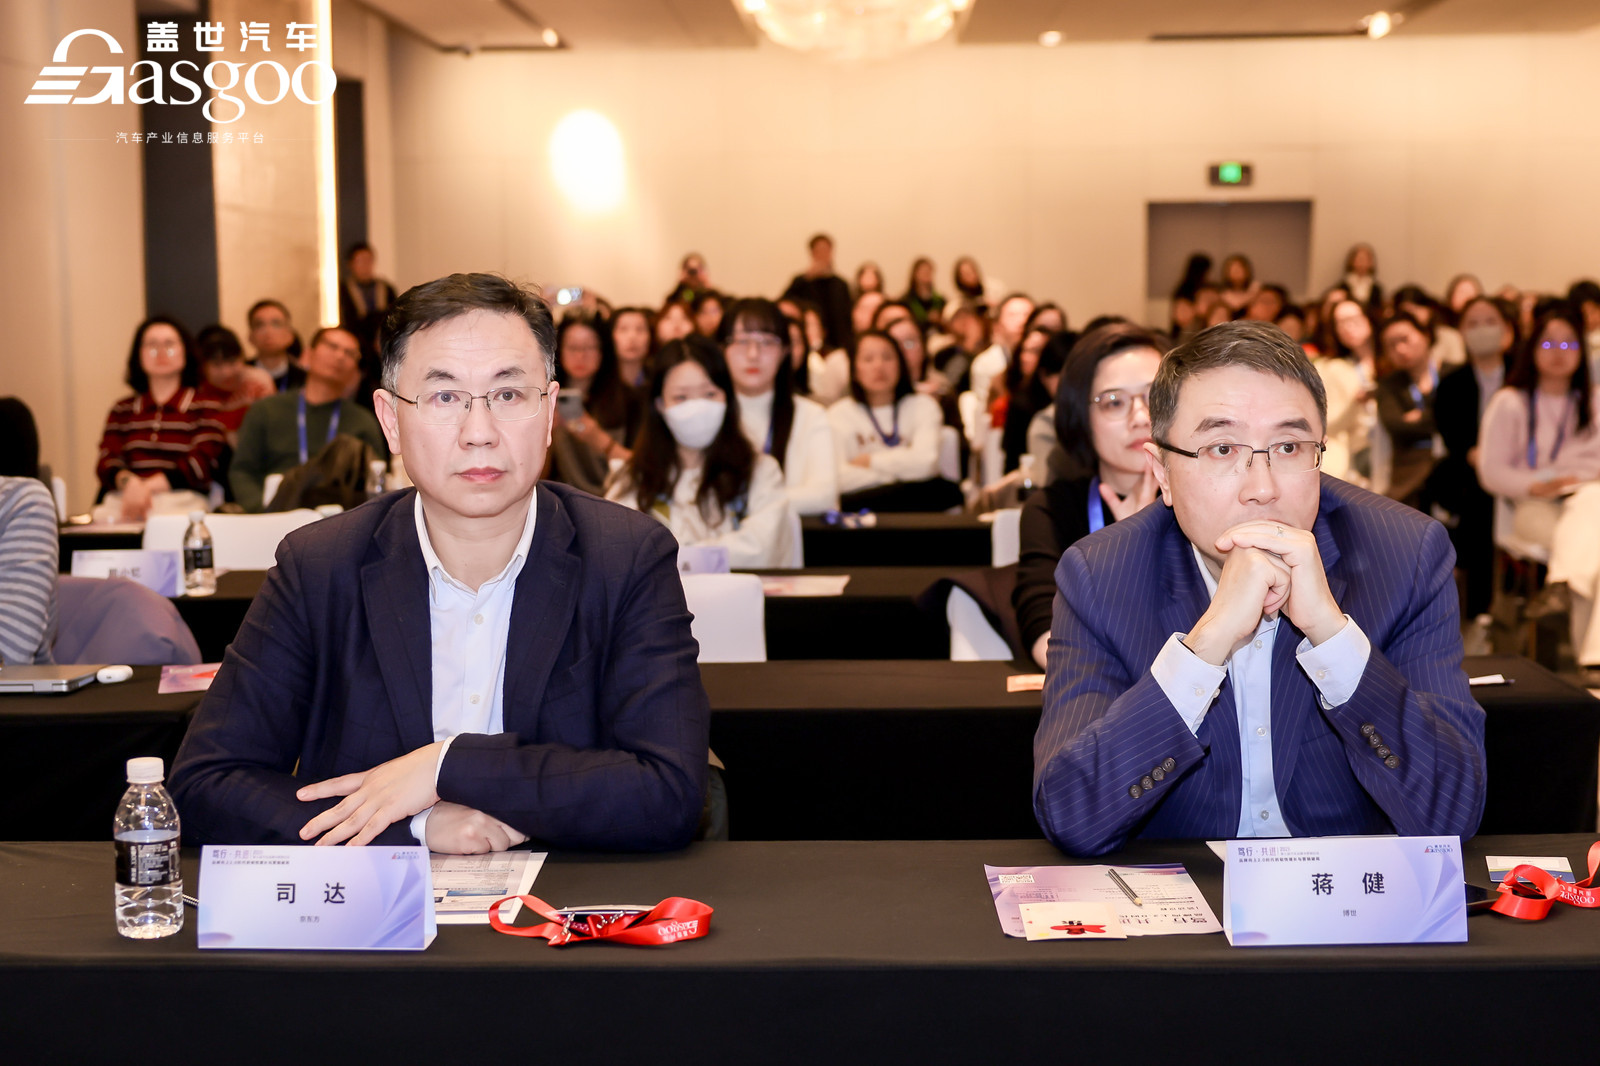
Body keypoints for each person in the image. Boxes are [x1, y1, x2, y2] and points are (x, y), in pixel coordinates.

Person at [170, 272, 710, 852]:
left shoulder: (626, 558)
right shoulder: (320, 566)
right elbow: (206, 785)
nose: (479, 433)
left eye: (508, 395)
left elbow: (670, 791)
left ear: (550, 410)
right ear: (390, 420)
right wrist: (415, 828)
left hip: (566, 902)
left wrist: (448, 767)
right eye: (444, 397)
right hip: (376, 906)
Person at [1033, 320, 1486, 856]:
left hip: (1343, 897)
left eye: (1289, 447)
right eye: (1222, 448)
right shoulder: (1101, 574)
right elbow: (1072, 815)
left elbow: (1452, 812)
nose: (1263, 488)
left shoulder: (1405, 554)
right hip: (1192, 893)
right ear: (1162, 472)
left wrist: (1331, 635)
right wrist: (1204, 647)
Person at [1015, 324, 1163, 669]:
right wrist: (1128, 551)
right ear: (1081, 418)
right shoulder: (1052, 510)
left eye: (1155, 396)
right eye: (1114, 402)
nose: (1140, 417)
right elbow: (1047, 640)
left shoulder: (1212, 500)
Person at [1476, 304, 1600, 681]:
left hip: (1585, 501)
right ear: (1531, 349)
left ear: (1582, 351)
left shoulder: (1593, 401)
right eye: (1548, 343)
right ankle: (1592, 660)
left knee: (1591, 509)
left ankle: (1561, 585)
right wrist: (1536, 484)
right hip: (1532, 505)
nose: (1559, 352)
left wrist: (1574, 475)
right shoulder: (1510, 402)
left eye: (1569, 344)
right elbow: (1491, 471)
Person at [606, 335, 797, 568]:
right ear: (660, 405)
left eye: (709, 394)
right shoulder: (633, 478)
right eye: (681, 397)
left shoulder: (760, 471)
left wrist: (682, 558)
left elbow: (762, 549)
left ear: (727, 397)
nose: (697, 407)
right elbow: (616, 551)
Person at [227, 326, 389, 512]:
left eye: (350, 353)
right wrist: (263, 511)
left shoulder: (363, 421)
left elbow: (376, 480)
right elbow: (242, 471)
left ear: (355, 369)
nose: (340, 356)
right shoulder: (266, 410)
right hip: (274, 513)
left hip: (339, 517)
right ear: (308, 354)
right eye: (332, 346)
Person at [1429, 294, 1517, 624]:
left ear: (1507, 329)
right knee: (1476, 497)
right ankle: (1480, 608)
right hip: (1469, 467)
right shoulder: (1452, 382)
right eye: (1473, 323)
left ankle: (1507, 594)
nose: (1482, 330)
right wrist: (1477, 455)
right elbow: (1452, 435)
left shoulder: (1521, 377)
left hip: (1518, 466)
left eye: (1490, 321)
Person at [96, 317, 228, 521]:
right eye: (152, 345)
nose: (161, 352)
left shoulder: (207, 406)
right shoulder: (122, 409)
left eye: (169, 344)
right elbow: (107, 460)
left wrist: (146, 487)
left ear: (185, 351)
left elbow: (202, 463)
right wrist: (131, 484)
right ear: (138, 354)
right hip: (125, 499)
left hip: (183, 502)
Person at [721, 298, 838, 516]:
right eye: (742, 341)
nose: (753, 354)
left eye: (766, 342)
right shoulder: (710, 414)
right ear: (723, 348)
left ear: (785, 350)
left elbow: (823, 495)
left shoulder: (811, 415)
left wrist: (741, 502)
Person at [828, 330, 961, 512]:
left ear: (901, 364)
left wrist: (870, 461)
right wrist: (898, 478)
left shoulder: (923, 406)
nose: (879, 366)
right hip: (863, 511)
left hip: (918, 511)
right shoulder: (838, 414)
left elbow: (926, 463)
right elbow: (838, 478)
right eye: (868, 359)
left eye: (887, 357)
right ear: (854, 370)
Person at [546, 312, 643, 496]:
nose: (580, 356)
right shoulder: (547, 396)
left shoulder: (629, 400)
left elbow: (643, 469)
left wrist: (596, 437)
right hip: (559, 498)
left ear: (603, 351)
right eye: (572, 347)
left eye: (589, 348)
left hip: (615, 498)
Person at [1374, 311, 1440, 509]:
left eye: (1405, 339)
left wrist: (1421, 416)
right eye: (1391, 345)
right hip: (1408, 470)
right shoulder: (1388, 385)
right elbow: (1397, 426)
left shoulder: (1453, 374)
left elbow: (1458, 420)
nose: (1400, 349)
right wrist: (1436, 418)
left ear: (1425, 336)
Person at [1313, 298, 1378, 484]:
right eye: (1340, 323)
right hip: (1353, 453)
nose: (1348, 327)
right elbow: (1328, 422)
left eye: (1353, 318)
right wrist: (1354, 403)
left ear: (1368, 318)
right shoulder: (1332, 368)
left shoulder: (1389, 361)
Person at [195, 324, 274, 445]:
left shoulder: (257, 383)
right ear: (202, 366)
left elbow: (272, 430)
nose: (226, 372)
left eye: (232, 362)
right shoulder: (196, 392)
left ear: (242, 357)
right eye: (217, 365)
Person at [783, 233, 854, 353]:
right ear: (812, 253)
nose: (822, 254)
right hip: (809, 344)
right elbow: (785, 303)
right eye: (818, 250)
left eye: (826, 250)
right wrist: (806, 278)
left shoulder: (841, 284)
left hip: (838, 344)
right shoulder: (801, 282)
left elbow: (847, 318)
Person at [338, 242, 398, 376]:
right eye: (360, 261)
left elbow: (395, 316)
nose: (365, 266)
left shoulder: (386, 288)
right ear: (350, 264)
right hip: (357, 343)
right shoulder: (342, 290)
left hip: (382, 343)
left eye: (368, 260)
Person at [969, 293, 1035, 411]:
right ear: (997, 325)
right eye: (1012, 315)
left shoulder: (1043, 358)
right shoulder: (984, 364)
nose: (1022, 320)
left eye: (1027, 315)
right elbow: (985, 412)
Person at [246, 299, 306, 393]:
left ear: (290, 335)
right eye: (259, 325)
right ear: (250, 337)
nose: (268, 332)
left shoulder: (305, 380)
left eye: (276, 324)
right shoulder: (240, 377)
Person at [612, 306, 655, 388]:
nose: (632, 337)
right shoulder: (597, 383)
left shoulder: (660, 382)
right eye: (623, 329)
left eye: (639, 329)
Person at [1342, 242, 1383, 317]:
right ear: (1351, 261)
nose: (1362, 262)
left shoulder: (1376, 289)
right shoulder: (1343, 287)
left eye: (1365, 259)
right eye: (1359, 259)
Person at [902, 257, 945, 328]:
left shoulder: (939, 300)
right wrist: (926, 319)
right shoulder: (906, 301)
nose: (926, 274)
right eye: (923, 271)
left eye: (929, 271)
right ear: (915, 274)